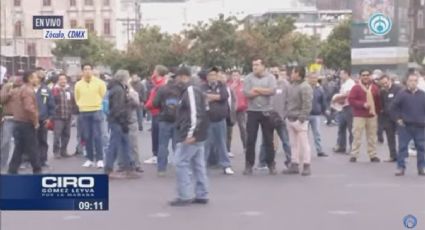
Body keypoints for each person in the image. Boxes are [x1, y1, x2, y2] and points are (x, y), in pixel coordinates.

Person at [169, 67, 209, 206]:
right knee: (198, 164)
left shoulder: (191, 90)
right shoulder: (194, 89)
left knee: (181, 162)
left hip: (191, 134)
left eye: (177, 77)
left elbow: (195, 113)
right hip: (198, 133)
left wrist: (192, 133)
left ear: (182, 76)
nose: (175, 80)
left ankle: (184, 195)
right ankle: (202, 193)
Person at [243, 58, 277, 175]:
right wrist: (263, 91)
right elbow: (247, 93)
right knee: (251, 139)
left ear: (263, 66)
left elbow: (272, 91)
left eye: (257, 65)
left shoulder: (270, 77)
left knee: (268, 139)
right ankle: (249, 164)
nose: (255, 67)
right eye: (253, 65)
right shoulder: (248, 78)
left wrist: (257, 89)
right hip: (252, 111)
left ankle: (271, 163)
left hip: (266, 111)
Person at [104, 70, 140, 179]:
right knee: (114, 146)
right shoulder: (119, 90)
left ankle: (128, 168)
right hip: (119, 121)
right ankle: (109, 170)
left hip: (118, 120)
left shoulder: (116, 88)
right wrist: (123, 121)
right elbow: (118, 108)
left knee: (125, 144)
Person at [201, 67, 234, 175]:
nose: (212, 77)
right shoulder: (203, 87)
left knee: (221, 143)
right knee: (205, 144)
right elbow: (201, 97)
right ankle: (201, 166)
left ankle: (226, 165)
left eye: (214, 75)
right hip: (207, 120)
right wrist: (216, 97)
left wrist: (210, 97)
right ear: (207, 77)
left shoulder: (222, 86)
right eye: (210, 75)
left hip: (220, 120)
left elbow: (224, 96)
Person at [8, 71, 42, 174]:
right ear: (30, 79)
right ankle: (37, 171)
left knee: (19, 148)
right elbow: (29, 108)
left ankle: (12, 170)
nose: (38, 79)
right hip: (26, 123)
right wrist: (35, 121)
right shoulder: (28, 90)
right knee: (33, 147)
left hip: (19, 122)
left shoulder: (20, 89)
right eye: (36, 77)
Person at [391, 73, 425, 176]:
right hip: (405, 126)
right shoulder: (402, 94)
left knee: (422, 148)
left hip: (420, 126)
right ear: (407, 81)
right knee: (402, 148)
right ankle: (401, 168)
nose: (413, 82)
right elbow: (393, 108)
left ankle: (422, 168)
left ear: (417, 82)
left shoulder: (423, 94)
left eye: (415, 80)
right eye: (411, 80)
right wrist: (397, 119)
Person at [258, 66, 292, 168]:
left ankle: (290, 161)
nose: (274, 73)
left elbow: (289, 101)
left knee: (285, 140)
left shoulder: (285, 84)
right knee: (265, 141)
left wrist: (284, 115)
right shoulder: (265, 83)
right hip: (267, 117)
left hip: (280, 118)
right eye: (272, 71)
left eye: (276, 71)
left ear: (279, 72)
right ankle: (262, 162)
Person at [74, 63, 107, 168]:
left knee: (98, 136)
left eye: (89, 69)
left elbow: (103, 95)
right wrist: (81, 105)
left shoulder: (100, 83)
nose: (87, 71)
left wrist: (96, 103)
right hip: (84, 111)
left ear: (92, 71)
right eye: (85, 69)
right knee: (87, 136)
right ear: (82, 71)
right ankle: (89, 158)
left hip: (96, 110)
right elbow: (77, 97)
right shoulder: (78, 84)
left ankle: (100, 159)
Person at [283, 66, 313, 176]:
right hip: (290, 118)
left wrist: (301, 119)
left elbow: (307, 104)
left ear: (298, 74)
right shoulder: (292, 86)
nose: (291, 74)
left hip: (299, 120)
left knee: (304, 144)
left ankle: (306, 165)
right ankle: (294, 164)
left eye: (293, 72)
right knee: (293, 144)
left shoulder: (305, 87)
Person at [348, 69, 381, 163]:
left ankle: (373, 155)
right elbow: (351, 100)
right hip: (359, 115)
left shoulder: (374, 87)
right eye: (363, 75)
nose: (365, 77)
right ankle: (354, 154)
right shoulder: (356, 87)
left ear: (370, 76)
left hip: (372, 115)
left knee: (372, 136)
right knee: (357, 136)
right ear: (360, 76)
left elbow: (378, 101)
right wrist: (362, 104)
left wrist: (378, 112)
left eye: (367, 75)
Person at [153, 73, 180, 176]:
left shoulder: (162, 89)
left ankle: (161, 169)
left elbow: (155, 103)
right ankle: (179, 167)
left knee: (162, 145)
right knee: (177, 145)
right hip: (177, 120)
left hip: (164, 119)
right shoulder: (179, 90)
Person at [144, 65, 169, 165]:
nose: (153, 72)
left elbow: (154, 99)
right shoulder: (158, 83)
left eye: (155, 70)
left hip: (157, 111)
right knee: (157, 134)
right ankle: (158, 155)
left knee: (157, 135)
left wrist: (146, 106)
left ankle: (157, 155)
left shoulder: (160, 85)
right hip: (155, 111)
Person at [34, 68, 55, 167]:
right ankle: (31, 160)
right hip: (30, 120)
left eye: (40, 76)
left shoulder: (45, 89)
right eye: (37, 75)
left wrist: (49, 117)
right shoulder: (28, 88)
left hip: (43, 119)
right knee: (31, 140)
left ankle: (43, 159)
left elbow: (50, 104)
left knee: (43, 140)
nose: (37, 78)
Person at [0, 76, 22, 171]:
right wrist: (9, 93)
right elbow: (1, 100)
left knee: (20, 142)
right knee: (5, 142)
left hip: (20, 119)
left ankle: (17, 163)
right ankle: (2, 163)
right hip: (8, 118)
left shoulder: (22, 89)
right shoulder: (6, 88)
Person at [379, 74, 402, 162]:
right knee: (390, 137)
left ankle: (402, 156)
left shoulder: (398, 88)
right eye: (383, 84)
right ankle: (393, 156)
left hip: (398, 116)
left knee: (401, 137)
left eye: (386, 82)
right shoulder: (382, 91)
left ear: (389, 80)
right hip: (387, 117)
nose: (385, 85)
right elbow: (382, 103)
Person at [332, 69, 355, 154]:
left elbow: (348, 94)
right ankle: (341, 146)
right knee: (341, 127)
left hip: (349, 107)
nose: (340, 76)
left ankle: (352, 147)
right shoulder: (344, 83)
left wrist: (337, 98)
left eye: (341, 74)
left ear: (346, 74)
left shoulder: (350, 83)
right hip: (343, 107)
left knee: (350, 128)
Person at [51, 73, 74, 158]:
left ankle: (64, 151)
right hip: (58, 116)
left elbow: (73, 101)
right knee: (57, 135)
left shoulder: (70, 90)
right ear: (58, 80)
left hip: (68, 115)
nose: (63, 81)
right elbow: (51, 102)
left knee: (67, 135)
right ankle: (56, 152)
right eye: (61, 79)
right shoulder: (54, 90)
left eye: (64, 79)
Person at [308, 73, 328, 157]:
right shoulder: (305, 88)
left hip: (316, 114)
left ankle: (319, 150)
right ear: (308, 79)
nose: (313, 79)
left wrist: (324, 110)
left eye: (315, 78)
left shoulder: (320, 89)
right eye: (312, 78)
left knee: (317, 134)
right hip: (305, 114)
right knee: (304, 134)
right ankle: (305, 151)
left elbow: (323, 101)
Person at [230, 69, 248, 154]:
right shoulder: (229, 85)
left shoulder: (243, 85)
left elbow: (247, 97)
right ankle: (227, 149)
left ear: (239, 76)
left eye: (237, 75)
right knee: (229, 130)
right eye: (233, 75)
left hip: (241, 110)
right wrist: (231, 88)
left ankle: (245, 146)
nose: (235, 77)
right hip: (231, 110)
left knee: (243, 128)